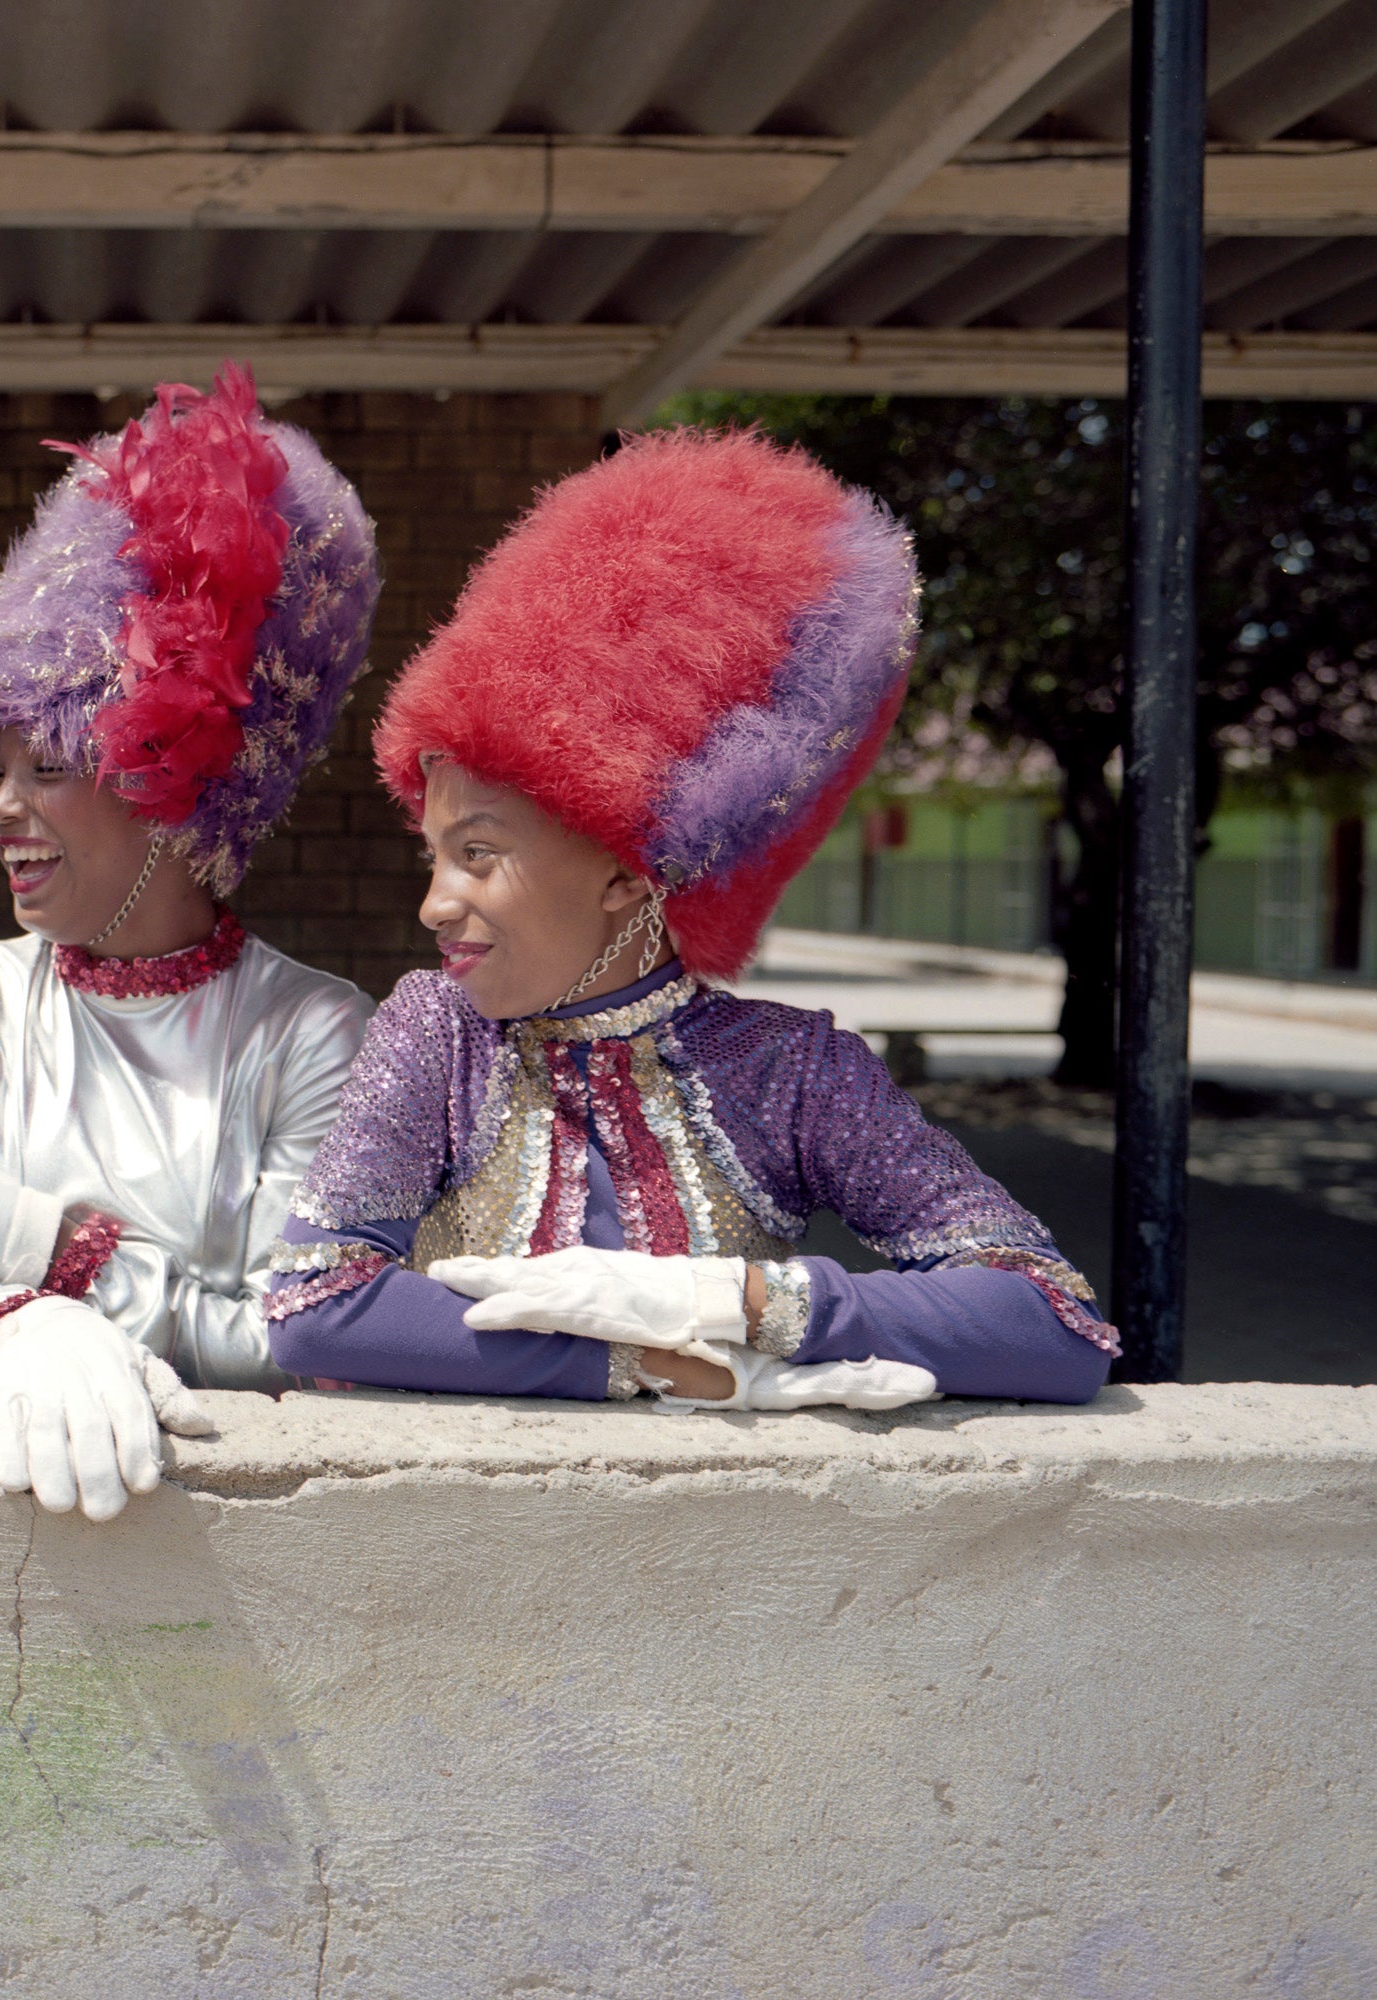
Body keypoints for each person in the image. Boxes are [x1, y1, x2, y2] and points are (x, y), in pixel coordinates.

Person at [265, 427, 1115, 1410]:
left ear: (630, 870)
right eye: (435, 853)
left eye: (478, 855)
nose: (433, 902)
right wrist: (657, 1363)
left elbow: (1055, 1321)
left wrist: (744, 1300)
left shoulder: (794, 1070)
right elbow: (312, 1303)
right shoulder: (435, 1034)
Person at [0, 365, 382, 1517]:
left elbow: (302, 1336)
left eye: (47, 764)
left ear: (171, 779)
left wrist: (58, 1249)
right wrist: (27, 1328)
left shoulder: (313, 1029)